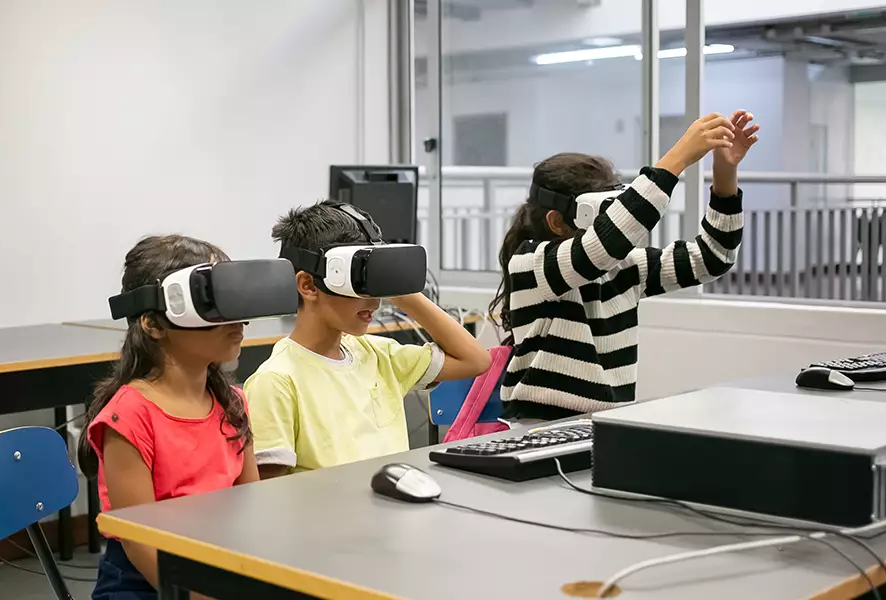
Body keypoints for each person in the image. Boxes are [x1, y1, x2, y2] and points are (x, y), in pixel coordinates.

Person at [491, 111, 759, 421]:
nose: (609, 220)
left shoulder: (625, 268)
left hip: (605, 426)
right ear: (557, 222)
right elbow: (599, 249)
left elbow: (713, 257)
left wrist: (724, 173)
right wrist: (677, 158)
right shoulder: (532, 265)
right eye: (599, 213)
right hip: (538, 426)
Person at [245, 201, 491, 477]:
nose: (374, 302)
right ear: (309, 285)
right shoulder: (276, 381)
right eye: (358, 284)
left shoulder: (379, 355)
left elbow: (477, 361)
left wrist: (401, 289)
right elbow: (269, 498)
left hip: (395, 509)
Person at [80, 235, 260, 600]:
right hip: (145, 581)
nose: (237, 320)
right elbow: (139, 541)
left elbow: (252, 504)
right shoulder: (128, 417)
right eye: (210, 301)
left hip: (217, 562)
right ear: (153, 323)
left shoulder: (232, 403)